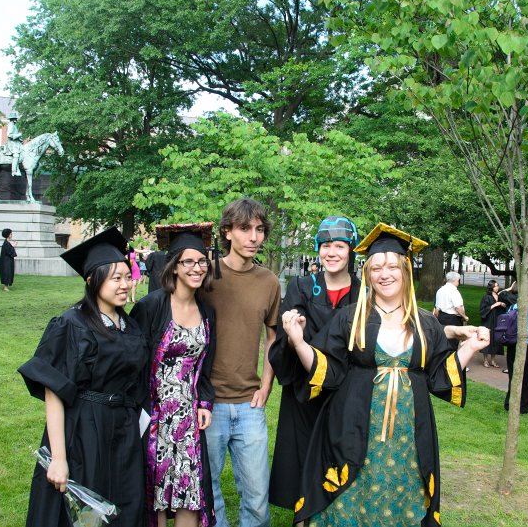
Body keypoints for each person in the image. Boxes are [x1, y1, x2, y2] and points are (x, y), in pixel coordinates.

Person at [282, 223, 489, 527]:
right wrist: (298, 341)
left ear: (406, 270)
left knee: (401, 495)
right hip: (353, 425)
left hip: (407, 434)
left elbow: (438, 376)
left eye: (393, 266)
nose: (385, 273)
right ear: (368, 274)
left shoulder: (424, 323)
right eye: (377, 267)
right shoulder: (352, 317)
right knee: (350, 496)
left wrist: (470, 347)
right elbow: (329, 367)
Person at [18, 228, 149, 527]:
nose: (125, 285)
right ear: (92, 279)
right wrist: (59, 458)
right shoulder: (71, 324)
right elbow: (54, 391)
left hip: (124, 432)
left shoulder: (128, 325)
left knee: (124, 506)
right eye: (116, 278)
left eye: (127, 277)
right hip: (84, 431)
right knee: (83, 511)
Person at [268, 216, 362, 513]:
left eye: (339, 246)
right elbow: (287, 346)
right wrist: (292, 332)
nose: (331, 252)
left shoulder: (364, 294)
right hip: (305, 394)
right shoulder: (302, 287)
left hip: (346, 395)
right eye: (325, 246)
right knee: (302, 462)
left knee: (340, 461)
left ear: (351, 250)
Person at [130, 223, 218, 526]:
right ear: (175, 266)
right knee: (153, 493)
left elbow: (206, 366)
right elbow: (133, 363)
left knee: (189, 493)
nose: (197, 268)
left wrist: (205, 402)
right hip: (154, 415)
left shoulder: (207, 312)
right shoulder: (151, 306)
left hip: (188, 418)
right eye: (189, 262)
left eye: (202, 261)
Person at [201, 198, 281, 527]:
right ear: (227, 232)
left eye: (260, 230)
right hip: (208, 404)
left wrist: (265, 385)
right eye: (245, 228)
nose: (254, 237)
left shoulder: (269, 282)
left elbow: (273, 337)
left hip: (250, 405)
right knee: (210, 493)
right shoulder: (206, 276)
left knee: (258, 498)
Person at [504, 285, 528, 414]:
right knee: (527, 378)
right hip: (527, 345)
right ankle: (524, 406)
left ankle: (510, 403)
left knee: (513, 376)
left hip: (512, 344)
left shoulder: (514, 307)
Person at [479, 280, 507, 368]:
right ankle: (485, 360)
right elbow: (483, 310)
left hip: (497, 320)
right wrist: (495, 304)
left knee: (496, 339)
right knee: (487, 338)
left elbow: (502, 309)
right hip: (488, 320)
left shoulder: (499, 296)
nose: (497, 287)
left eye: (498, 286)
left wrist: (502, 305)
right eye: (495, 286)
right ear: (491, 287)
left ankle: (493, 360)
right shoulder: (486, 297)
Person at [4, 111, 24, 176]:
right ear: (12, 119)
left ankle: (19, 169)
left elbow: (15, 135)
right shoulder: (11, 125)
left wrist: (20, 139)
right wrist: (19, 135)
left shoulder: (14, 126)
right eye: (15, 118)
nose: (16, 120)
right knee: (16, 155)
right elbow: (9, 135)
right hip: (12, 143)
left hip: (16, 143)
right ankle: (14, 171)